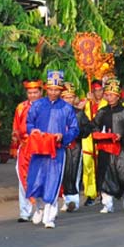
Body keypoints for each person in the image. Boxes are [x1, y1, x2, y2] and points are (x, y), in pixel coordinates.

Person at [25, 70, 80, 229]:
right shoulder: (38, 105)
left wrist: (63, 136)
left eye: (57, 90)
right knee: (36, 180)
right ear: (46, 89)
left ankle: (50, 215)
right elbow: (29, 123)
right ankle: (39, 207)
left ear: (61, 90)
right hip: (39, 148)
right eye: (51, 89)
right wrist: (32, 131)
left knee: (53, 181)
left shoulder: (66, 108)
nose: (53, 92)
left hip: (56, 151)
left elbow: (74, 129)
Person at [87, 79, 124, 213]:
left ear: (118, 96)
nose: (109, 97)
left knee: (122, 174)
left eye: (112, 95)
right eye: (107, 94)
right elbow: (94, 125)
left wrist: (122, 136)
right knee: (104, 174)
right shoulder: (102, 111)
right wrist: (95, 131)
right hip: (105, 147)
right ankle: (107, 203)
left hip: (121, 149)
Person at [10, 79, 43, 222]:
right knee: (22, 177)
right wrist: (14, 145)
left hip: (41, 147)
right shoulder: (21, 107)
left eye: (35, 92)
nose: (33, 95)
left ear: (41, 92)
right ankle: (25, 211)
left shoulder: (46, 107)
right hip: (24, 147)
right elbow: (16, 127)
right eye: (30, 93)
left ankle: (41, 209)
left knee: (40, 178)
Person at [60, 83, 85, 212]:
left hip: (75, 146)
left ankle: (73, 200)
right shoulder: (56, 112)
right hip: (60, 146)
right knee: (62, 172)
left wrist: (77, 132)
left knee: (74, 172)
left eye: (71, 97)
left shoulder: (79, 113)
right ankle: (66, 199)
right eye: (66, 97)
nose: (69, 100)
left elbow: (87, 129)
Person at [79, 81, 104, 205]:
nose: (98, 93)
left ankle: (103, 191)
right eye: (96, 91)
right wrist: (85, 103)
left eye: (100, 90)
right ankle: (90, 193)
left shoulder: (106, 103)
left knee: (102, 167)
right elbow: (76, 111)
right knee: (88, 167)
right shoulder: (86, 102)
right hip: (88, 139)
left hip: (102, 139)